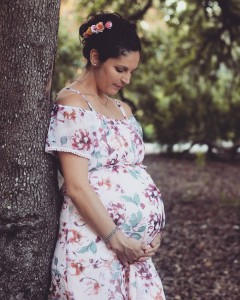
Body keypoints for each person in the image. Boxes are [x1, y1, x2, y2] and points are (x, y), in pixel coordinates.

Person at [45, 12, 166, 300]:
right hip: (94, 245)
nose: (127, 79)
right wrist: (118, 239)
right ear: (96, 57)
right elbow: (76, 185)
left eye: (132, 71)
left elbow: (136, 172)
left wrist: (151, 232)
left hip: (135, 257)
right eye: (120, 69)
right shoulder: (73, 104)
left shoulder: (123, 110)